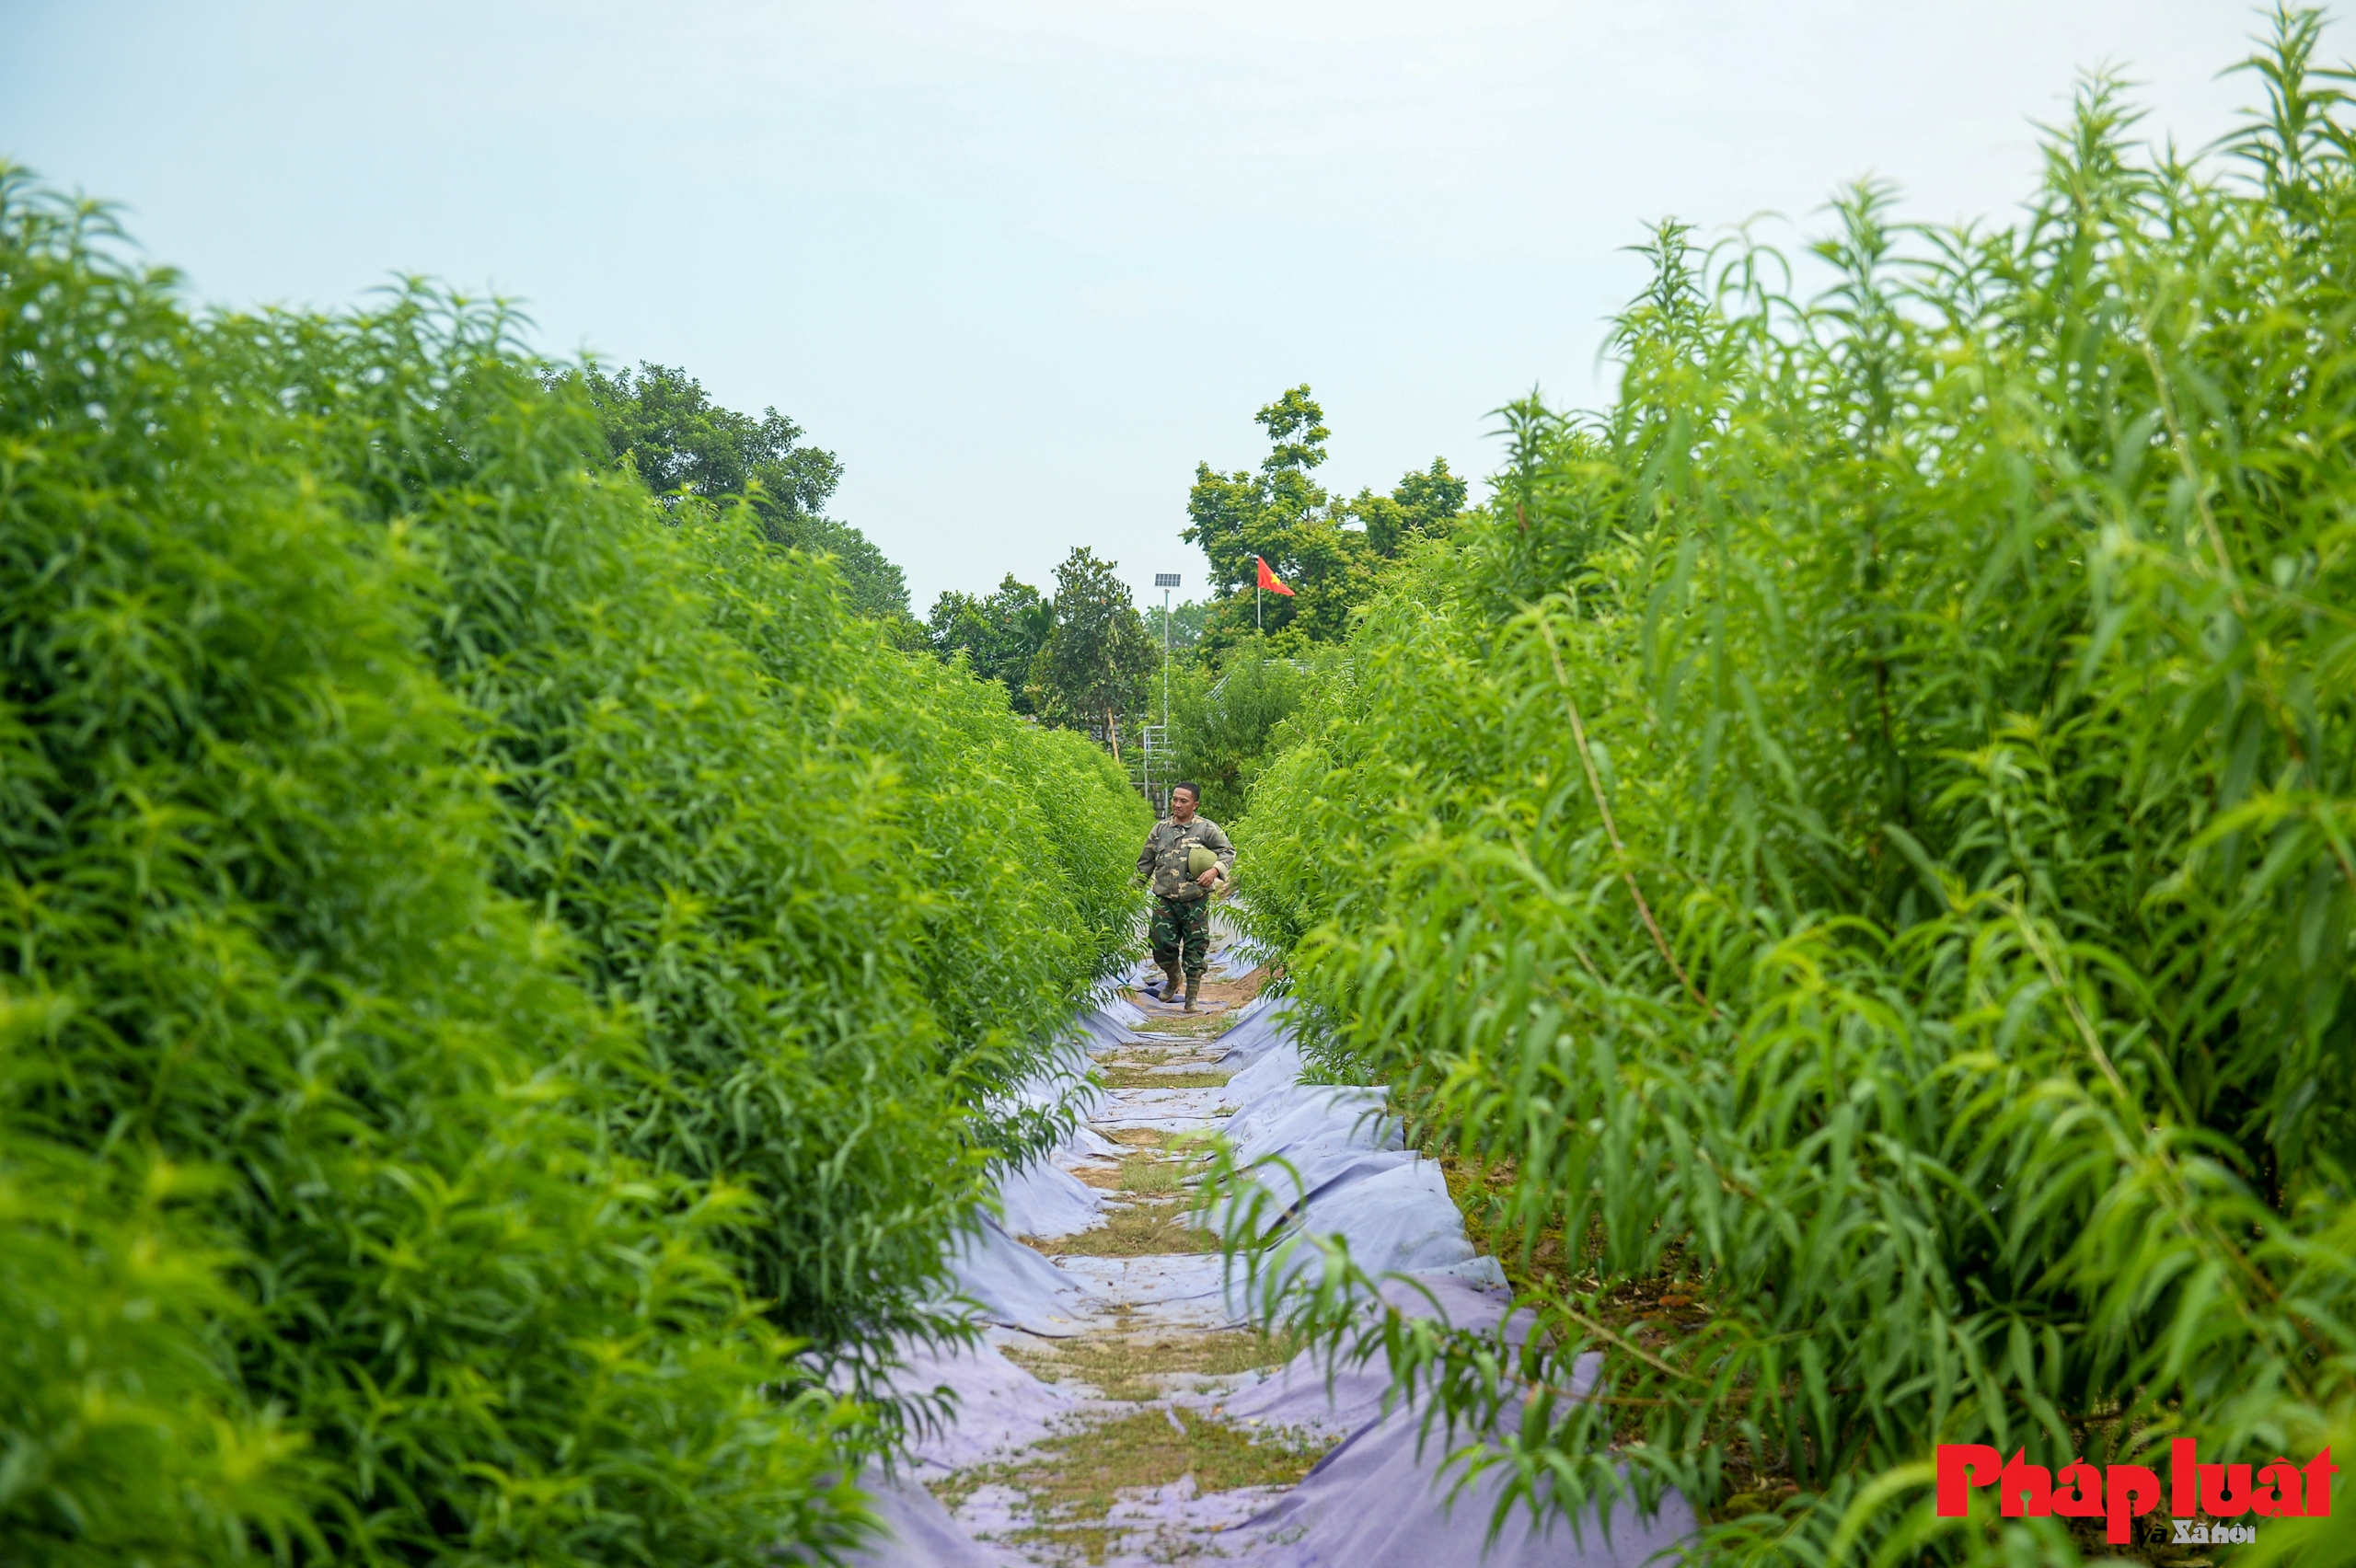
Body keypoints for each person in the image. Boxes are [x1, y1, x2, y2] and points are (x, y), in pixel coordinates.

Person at [1135, 781, 1235, 1011]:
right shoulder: (1159, 830)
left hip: (1194, 900)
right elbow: (1145, 863)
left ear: (1195, 804)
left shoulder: (1207, 829)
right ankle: (1173, 978)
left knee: (1195, 948)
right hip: (1164, 900)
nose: (1177, 804)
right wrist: (1133, 888)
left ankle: (1191, 998)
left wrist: (1214, 870)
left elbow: (1228, 852)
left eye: (1183, 801)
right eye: (1174, 799)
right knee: (1160, 946)